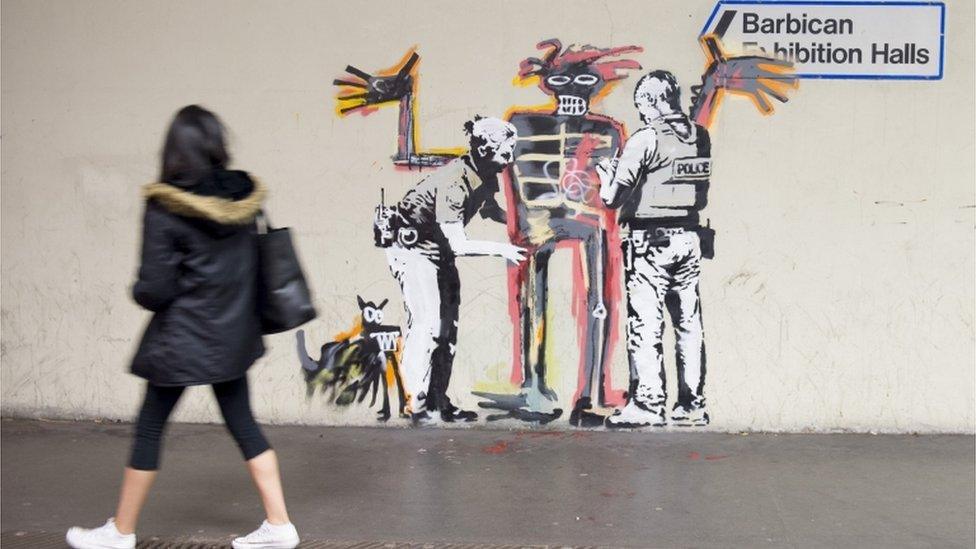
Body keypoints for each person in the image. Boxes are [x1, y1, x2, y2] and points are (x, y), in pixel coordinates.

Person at [66, 105, 300, 549]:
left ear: (173, 151)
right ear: (217, 144)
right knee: (244, 424)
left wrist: (138, 290)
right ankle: (280, 524)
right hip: (233, 337)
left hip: (182, 339)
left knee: (151, 427)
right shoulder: (243, 196)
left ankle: (120, 532)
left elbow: (155, 288)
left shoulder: (164, 207)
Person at [382, 116, 525, 425]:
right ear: (485, 149)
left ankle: (437, 402)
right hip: (415, 252)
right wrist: (503, 250)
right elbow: (458, 242)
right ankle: (413, 402)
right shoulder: (455, 181)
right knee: (428, 327)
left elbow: (490, 211)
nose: (509, 160)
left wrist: (527, 226)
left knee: (447, 333)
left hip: (439, 254)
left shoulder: (486, 174)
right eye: (505, 153)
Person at [596, 71, 713, 428]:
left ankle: (648, 404)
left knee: (646, 325)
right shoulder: (699, 136)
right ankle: (691, 405)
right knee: (688, 324)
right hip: (689, 238)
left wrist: (607, 175)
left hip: (650, 242)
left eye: (642, 105)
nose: (642, 113)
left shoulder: (645, 139)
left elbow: (612, 198)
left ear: (654, 101)